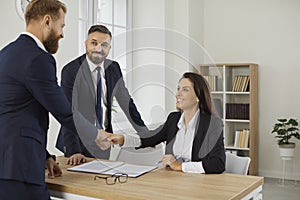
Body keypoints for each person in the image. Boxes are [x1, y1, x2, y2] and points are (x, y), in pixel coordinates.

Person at [0, 1, 108, 199]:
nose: (62, 34)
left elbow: (14, 116)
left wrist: (45, 157)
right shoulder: (38, 58)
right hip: (19, 168)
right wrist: (95, 134)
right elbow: (64, 111)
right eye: (62, 26)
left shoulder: (5, 54)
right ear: (47, 21)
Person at [55, 25, 148, 165]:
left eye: (104, 45)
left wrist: (145, 135)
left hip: (104, 142)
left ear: (109, 48)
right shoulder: (71, 70)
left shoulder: (113, 68)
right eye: (94, 43)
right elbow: (69, 112)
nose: (99, 48)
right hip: (78, 142)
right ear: (86, 44)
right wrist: (74, 150)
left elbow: (126, 103)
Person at [108, 72, 226, 174]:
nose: (178, 94)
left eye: (185, 90)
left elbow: (218, 163)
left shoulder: (212, 124)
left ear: (198, 97)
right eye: (178, 88)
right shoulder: (173, 119)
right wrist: (122, 139)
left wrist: (180, 166)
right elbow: (150, 138)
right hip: (171, 180)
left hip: (197, 184)